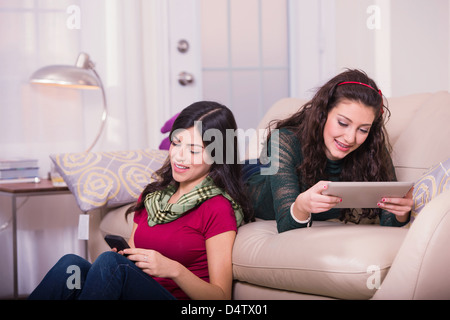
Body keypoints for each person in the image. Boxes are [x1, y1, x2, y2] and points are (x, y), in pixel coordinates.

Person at [29, 101, 253, 300]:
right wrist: (124, 258)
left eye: (193, 150)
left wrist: (174, 270)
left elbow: (220, 296)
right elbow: (134, 255)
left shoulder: (217, 207)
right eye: (176, 144)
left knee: (110, 264)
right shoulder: (153, 196)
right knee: (72, 265)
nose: (179, 156)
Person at [244, 69, 413, 233]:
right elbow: (287, 227)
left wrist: (401, 213)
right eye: (343, 123)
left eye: (363, 129)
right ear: (323, 113)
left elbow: (389, 223)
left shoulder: (371, 148)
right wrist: (301, 206)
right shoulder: (284, 141)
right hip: (249, 177)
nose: (350, 138)